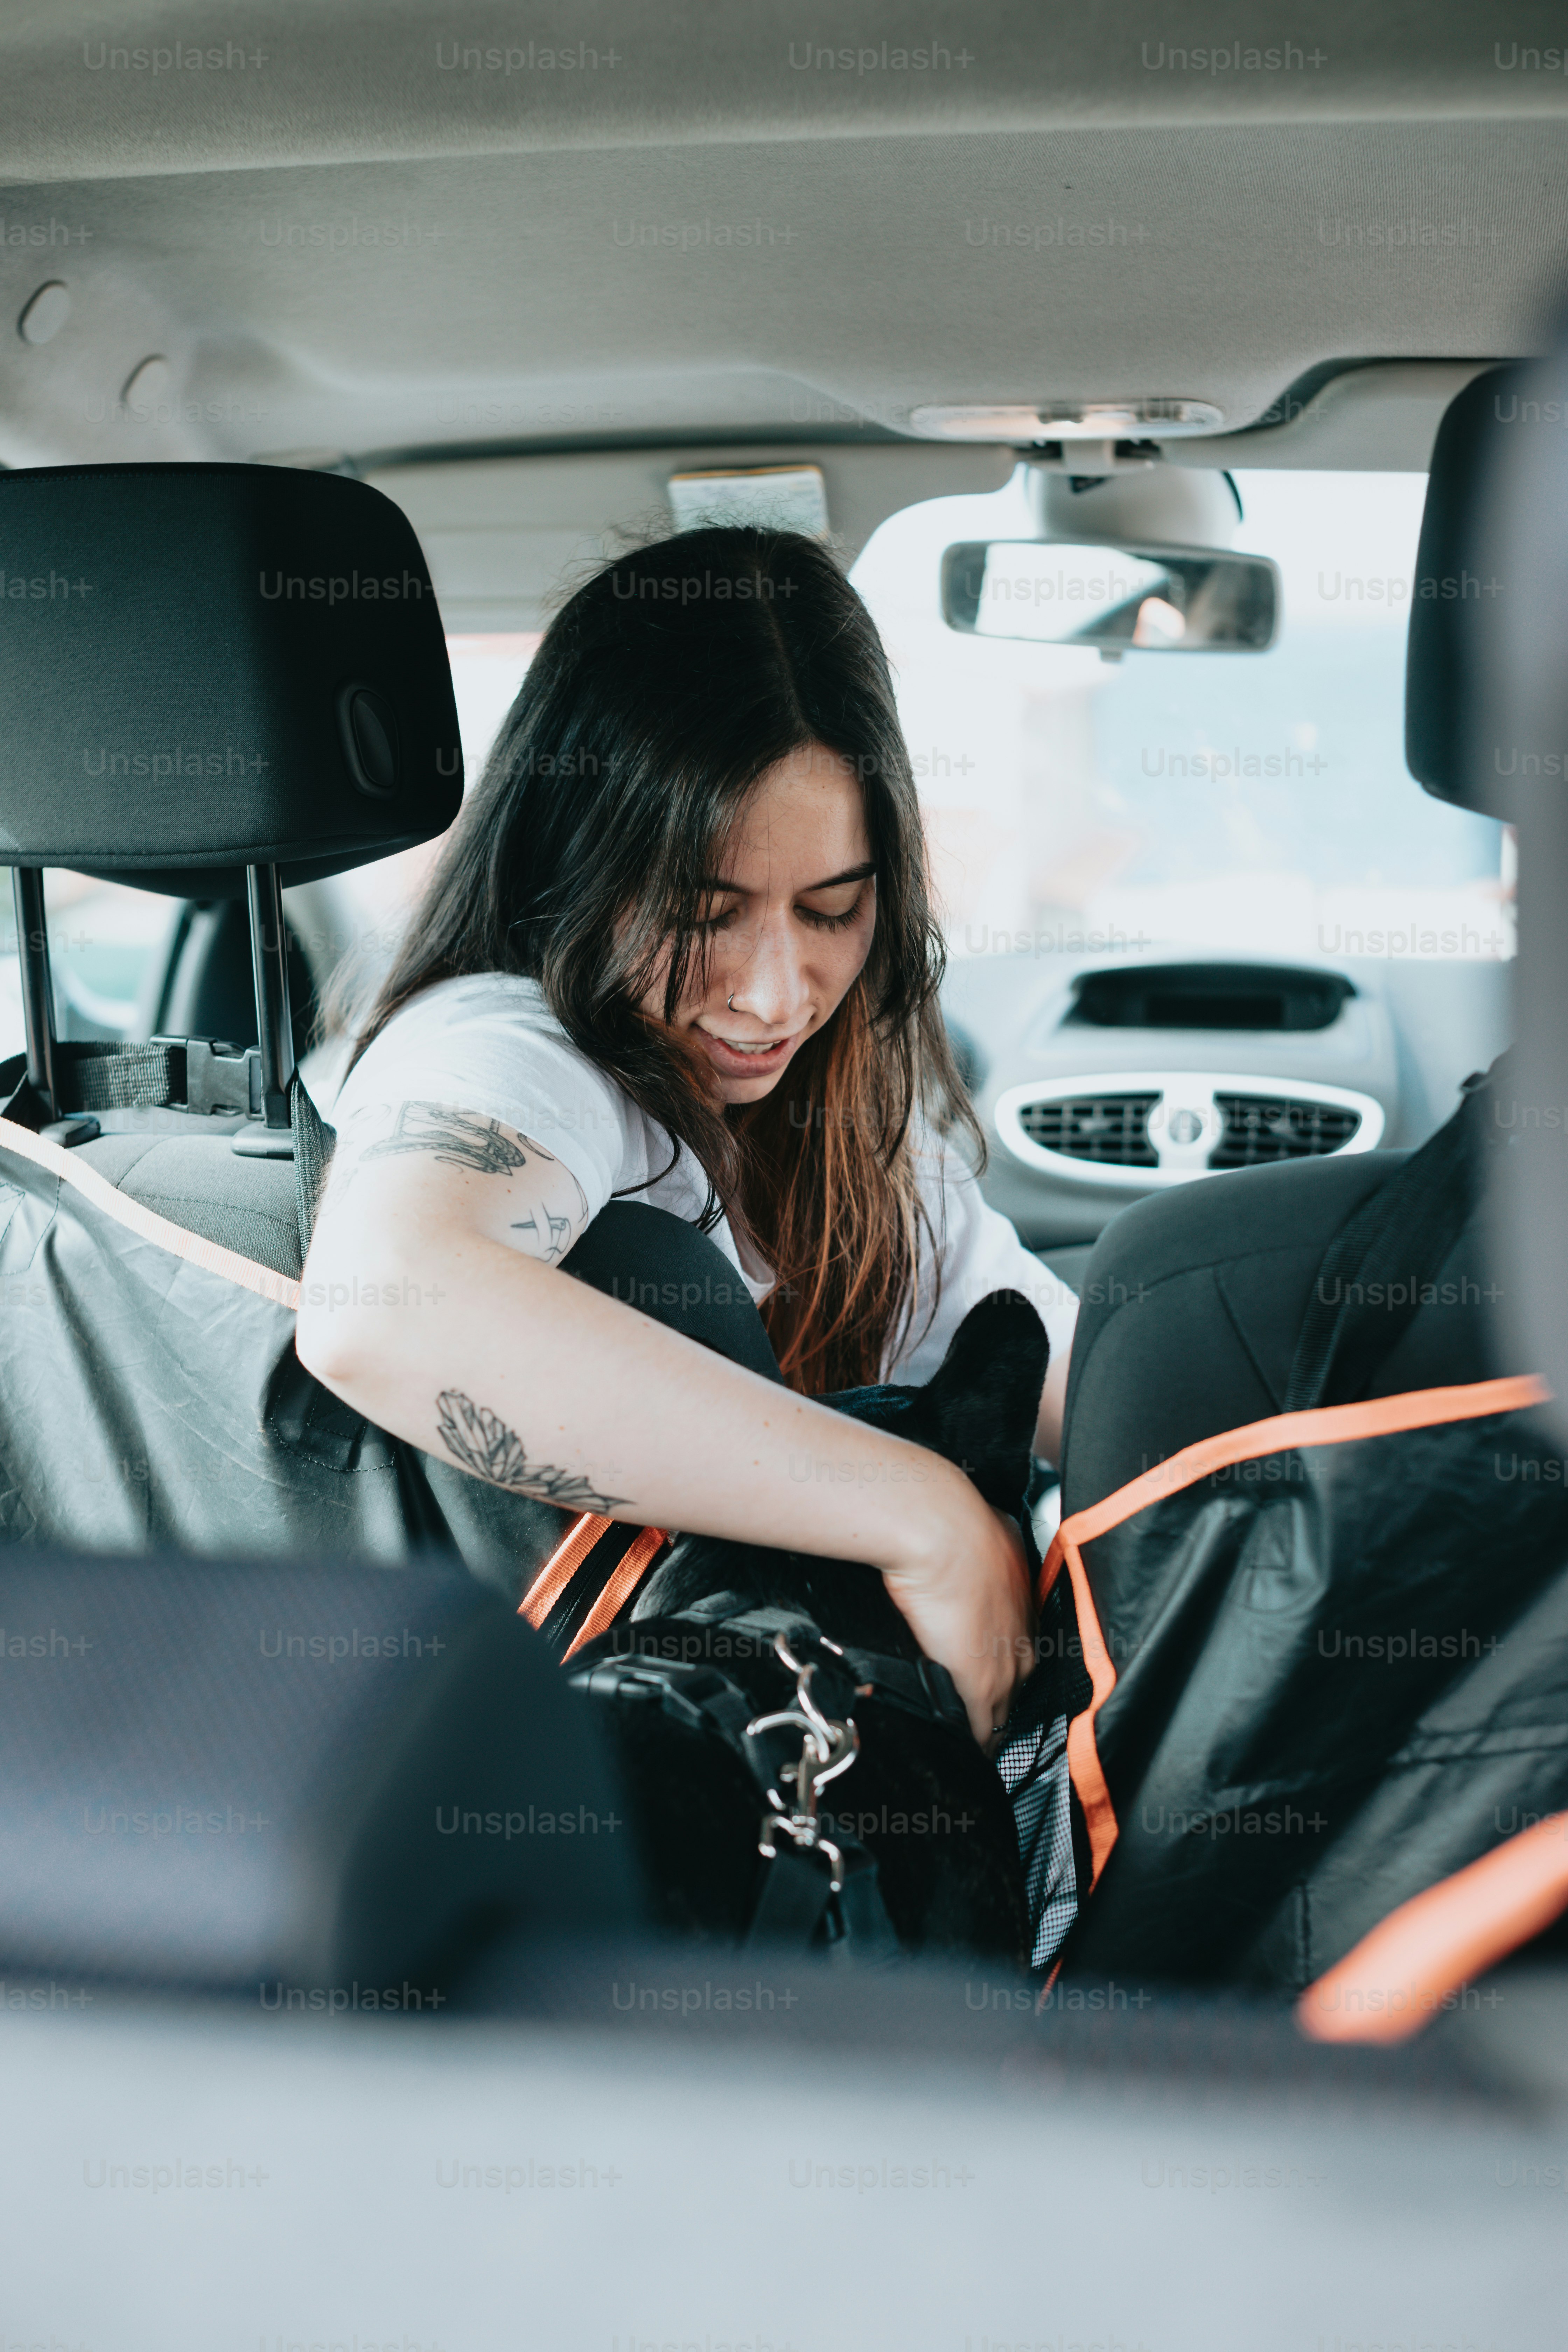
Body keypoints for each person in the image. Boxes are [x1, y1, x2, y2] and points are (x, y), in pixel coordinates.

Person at [297, 526, 1078, 1745]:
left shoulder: (845, 1128)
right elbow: (378, 1299)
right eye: (702, 915)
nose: (777, 998)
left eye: (834, 910)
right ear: (575, 864)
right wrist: (922, 1515)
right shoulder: (515, 1048)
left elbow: (1087, 1384)